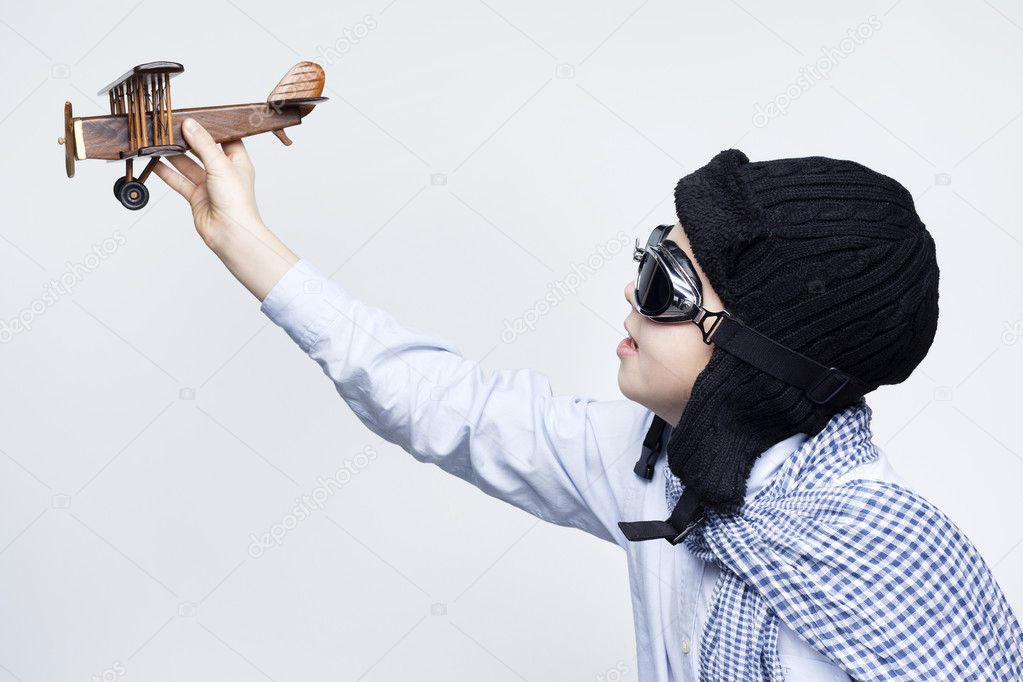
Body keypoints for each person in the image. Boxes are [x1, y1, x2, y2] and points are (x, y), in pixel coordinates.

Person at [154, 117, 1023, 680]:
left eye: (669, 283)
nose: (632, 294)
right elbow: (446, 406)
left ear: (758, 356)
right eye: (649, 255)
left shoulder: (880, 571)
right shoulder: (658, 469)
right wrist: (246, 241)